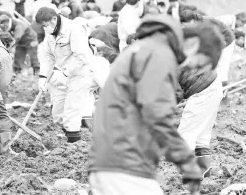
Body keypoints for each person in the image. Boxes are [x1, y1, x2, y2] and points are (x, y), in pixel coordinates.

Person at [89, 14, 225, 195]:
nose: (192, 68)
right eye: (199, 63)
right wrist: (186, 161)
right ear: (193, 44)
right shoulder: (159, 57)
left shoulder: (150, 49)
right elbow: (156, 117)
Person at [177, 18, 235, 179]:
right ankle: (204, 170)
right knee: (202, 135)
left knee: (184, 135)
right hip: (213, 85)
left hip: (203, 91)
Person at [36, 7, 94, 143]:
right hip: (60, 72)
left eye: (45, 25)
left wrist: (66, 73)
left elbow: (81, 57)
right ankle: (70, 135)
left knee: (71, 110)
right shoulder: (49, 31)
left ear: (54, 19)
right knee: (57, 113)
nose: (45, 28)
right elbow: (49, 57)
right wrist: (43, 77)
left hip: (79, 73)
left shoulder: (74, 29)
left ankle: (74, 146)